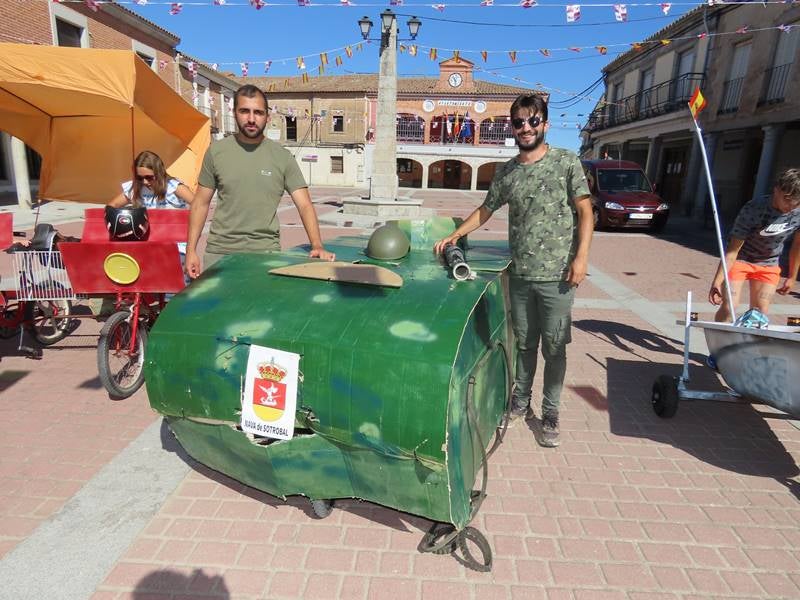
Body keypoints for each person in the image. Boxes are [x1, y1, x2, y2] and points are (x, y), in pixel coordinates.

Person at [433, 93, 593, 448]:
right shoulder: (507, 171)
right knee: (523, 344)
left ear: (545, 125)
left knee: (554, 348)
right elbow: (486, 209)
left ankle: (550, 413)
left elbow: (585, 212)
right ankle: (521, 400)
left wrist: (581, 258)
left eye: (533, 121)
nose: (526, 128)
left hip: (558, 278)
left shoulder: (566, 162)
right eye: (519, 122)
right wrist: (456, 233)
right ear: (512, 126)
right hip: (519, 275)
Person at [185, 84, 334, 279]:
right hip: (220, 253)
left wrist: (317, 245)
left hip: (265, 253)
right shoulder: (216, 152)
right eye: (244, 111)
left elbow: (305, 204)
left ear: (268, 117)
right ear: (235, 113)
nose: (251, 119)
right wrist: (191, 250)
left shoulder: (282, 157)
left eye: (258, 113)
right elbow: (200, 203)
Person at [709, 168, 800, 323]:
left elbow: (797, 246)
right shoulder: (754, 208)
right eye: (787, 198)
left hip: (769, 263)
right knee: (730, 306)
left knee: (760, 311)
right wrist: (717, 281)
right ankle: (720, 344)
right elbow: (732, 251)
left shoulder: (797, 212)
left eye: (797, 201)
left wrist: (792, 276)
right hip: (741, 259)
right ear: (776, 190)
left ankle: (747, 344)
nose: (791, 205)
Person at [108, 150, 194, 209]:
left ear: (159, 173)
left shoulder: (174, 187)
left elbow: (198, 206)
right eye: (140, 177)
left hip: (174, 232)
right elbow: (112, 206)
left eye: (149, 177)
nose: (144, 181)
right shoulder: (136, 188)